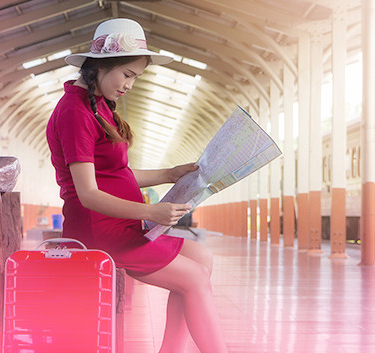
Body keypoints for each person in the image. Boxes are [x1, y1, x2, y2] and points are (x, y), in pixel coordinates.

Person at [46, 18, 228, 353]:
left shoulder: (97, 106)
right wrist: (151, 211)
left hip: (120, 225)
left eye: (136, 78)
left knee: (201, 260)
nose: (130, 84)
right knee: (195, 278)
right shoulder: (75, 111)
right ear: (102, 66)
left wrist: (169, 174)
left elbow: (117, 173)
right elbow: (88, 193)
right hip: (99, 230)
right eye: (127, 74)